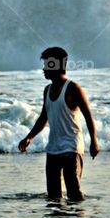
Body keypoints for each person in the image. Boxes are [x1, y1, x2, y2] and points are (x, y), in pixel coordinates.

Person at [18, 47, 100, 201]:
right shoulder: (47, 90)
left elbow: (88, 116)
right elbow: (43, 117)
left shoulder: (73, 88)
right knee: (53, 197)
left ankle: (78, 216)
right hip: (53, 148)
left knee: (74, 194)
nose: (43, 69)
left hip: (71, 147)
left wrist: (94, 141)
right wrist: (29, 137)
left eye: (46, 64)